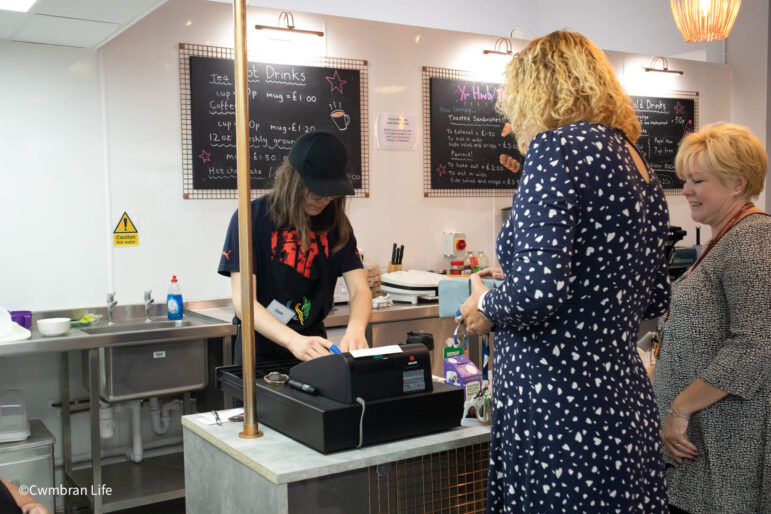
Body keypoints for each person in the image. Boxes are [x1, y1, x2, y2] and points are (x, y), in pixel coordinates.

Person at [459, 31, 671, 512]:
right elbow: (655, 296)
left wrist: (486, 303)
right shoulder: (640, 165)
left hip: (558, 407)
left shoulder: (557, 150)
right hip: (621, 400)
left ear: (536, 90)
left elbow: (538, 291)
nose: (512, 120)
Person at [653, 122, 770, 514]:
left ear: (738, 182)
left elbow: (756, 343)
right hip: (702, 448)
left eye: (697, 180)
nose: (685, 190)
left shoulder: (752, 239)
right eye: (685, 179)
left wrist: (679, 408)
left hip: (727, 447)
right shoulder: (723, 237)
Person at [218, 131, 371, 364]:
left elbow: (360, 290)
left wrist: (356, 328)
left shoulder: (336, 224)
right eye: (316, 192)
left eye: (330, 196)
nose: (323, 200)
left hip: (314, 347)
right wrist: (293, 341)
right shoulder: (252, 219)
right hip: (259, 350)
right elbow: (244, 302)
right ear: (292, 180)